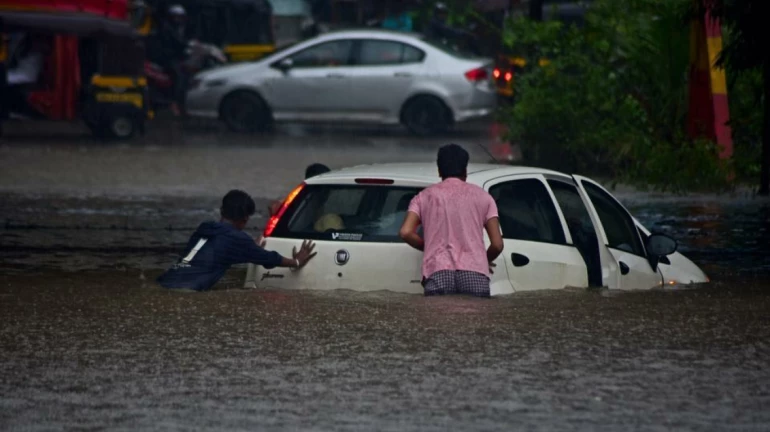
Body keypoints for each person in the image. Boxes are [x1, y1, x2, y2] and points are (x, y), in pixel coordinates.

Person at [157, 189, 317, 291]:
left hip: (165, 283)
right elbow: (269, 258)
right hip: (186, 291)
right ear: (245, 219)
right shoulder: (236, 239)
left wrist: (250, 248)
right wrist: (296, 262)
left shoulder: (205, 227)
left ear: (222, 211)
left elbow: (217, 251)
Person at [399, 144, 504, 297]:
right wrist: (483, 259)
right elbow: (497, 244)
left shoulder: (423, 197)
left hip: (438, 271)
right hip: (475, 273)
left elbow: (406, 232)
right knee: (475, 320)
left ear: (439, 170)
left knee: (438, 320)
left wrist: (429, 246)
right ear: (465, 170)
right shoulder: (484, 198)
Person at [158, 4, 189, 116]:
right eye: (176, 17)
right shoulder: (167, 28)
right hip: (168, 58)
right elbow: (177, 42)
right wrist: (187, 45)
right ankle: (174, 102)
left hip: (176, 56)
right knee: (180, 77)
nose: (178, 19)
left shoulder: (180, 28)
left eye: (180, 17)